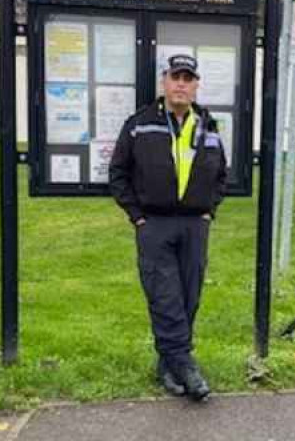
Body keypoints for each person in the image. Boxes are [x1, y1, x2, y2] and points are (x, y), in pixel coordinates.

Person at [109, 54, 228, 401]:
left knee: (189, 296)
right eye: (175, 76)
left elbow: (221, 174)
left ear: (195, 85)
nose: (181, 83)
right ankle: (187, 368)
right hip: (154, 223)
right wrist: (137, 216)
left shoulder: (208, 125)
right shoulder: (140, 123)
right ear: (164, 81)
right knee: (165, 296)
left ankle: (169, 365)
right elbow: (118, 174)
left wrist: (210, 210)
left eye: (187, 78)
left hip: (195, 224)